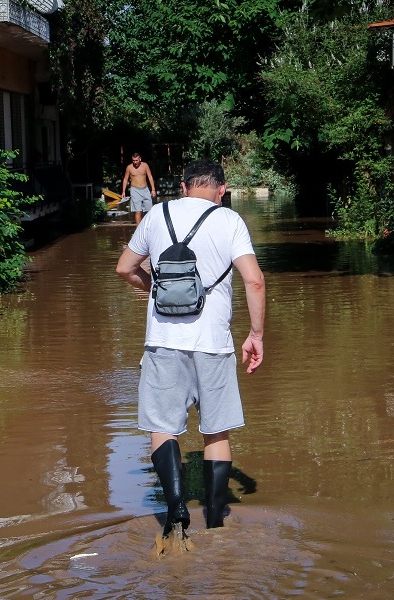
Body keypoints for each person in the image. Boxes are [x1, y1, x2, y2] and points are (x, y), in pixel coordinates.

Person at [115, 159, 266, 552]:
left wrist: (151, 287)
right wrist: (256, 334)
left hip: (163, 339)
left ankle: (176, 512)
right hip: (214, 341)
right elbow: (254, 279)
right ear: (221, 189)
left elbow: (124, 268)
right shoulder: (229, 220)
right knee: (216, 430)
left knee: (162, 425)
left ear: (182, 187)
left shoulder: (155, 214)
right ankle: (215, 522)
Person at [121, 152, 157, 225]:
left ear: (140, 159)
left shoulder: (145, 165)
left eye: (136, 160)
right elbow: (125, 179)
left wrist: (153, 189)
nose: (135, 162)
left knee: (149, 210)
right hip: (135, 190)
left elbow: (150, 177)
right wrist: (123, 191)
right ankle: (138, 230)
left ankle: (148, 226)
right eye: (133, 160)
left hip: (145, 189)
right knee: (138, 211)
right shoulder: (129, 167)